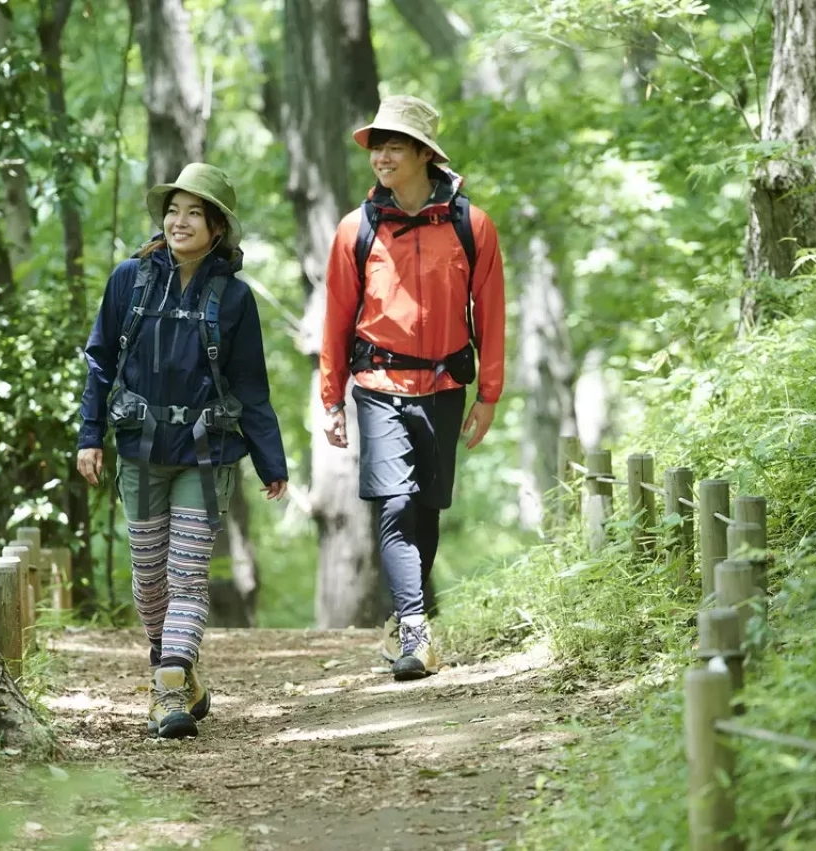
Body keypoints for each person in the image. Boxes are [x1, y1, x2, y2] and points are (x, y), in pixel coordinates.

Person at [77, 163, 289, 738]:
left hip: (206, 452)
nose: (179, 220)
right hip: (140, 450)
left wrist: (272, 461)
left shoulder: (236, 298)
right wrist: (88, 435)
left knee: (188, 576)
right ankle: (174, 669)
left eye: (194, 212)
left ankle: (169, 686)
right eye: (173, 210)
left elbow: (251, 385)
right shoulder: (129, 280)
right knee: (149, 579)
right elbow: (99, 361)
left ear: (216, 227)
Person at [320, 95, 506, 681]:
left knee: (426, 508)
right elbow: (335, 317)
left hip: (446, 383)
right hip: (376, 383)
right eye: (377, 145)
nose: (383, 155)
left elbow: (493, 313)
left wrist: (490, 395)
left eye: (395, 145)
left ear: (425, 153)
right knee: (396, 503)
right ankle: (417, 631)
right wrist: (331, 397)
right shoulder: (357, 229)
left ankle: (406, 624)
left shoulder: (470, 225)